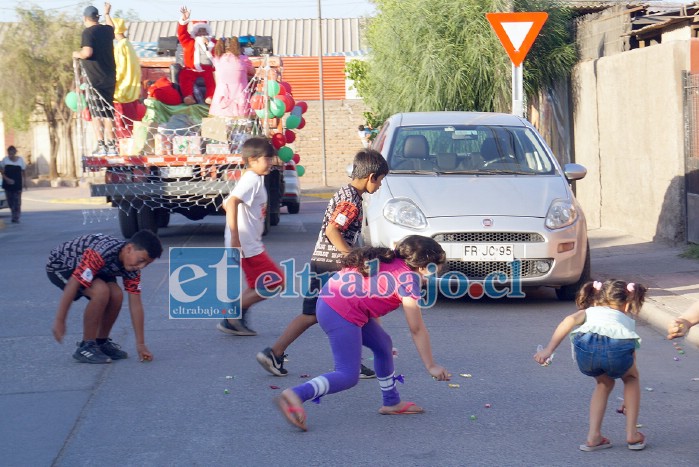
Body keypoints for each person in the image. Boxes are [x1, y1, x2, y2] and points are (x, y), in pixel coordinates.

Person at [275, 236, 451, 431]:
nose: (433, 275)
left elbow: (368, 295)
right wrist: (431, 365)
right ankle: (296, 394)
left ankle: (391, 402)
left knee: (383, 344)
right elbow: (416, 328)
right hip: (340, 311)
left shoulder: (388, 259)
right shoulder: (408, 279)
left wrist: (377, 335)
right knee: (347, 375)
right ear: (424, 266)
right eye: (435, 269)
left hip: (333, 300)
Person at [256, 149, 389, 378]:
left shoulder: (347, 193)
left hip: (323, 262)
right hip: (333, 266)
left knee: (313, 314)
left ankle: (275, 352)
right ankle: (353, 361)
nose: (379, 187)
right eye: (380, 181)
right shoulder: (351, 200)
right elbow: (332, 230)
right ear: (371, 177)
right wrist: (352, 256)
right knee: (352, 313)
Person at [534, 279, 648, 452]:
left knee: (604, 383)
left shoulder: (589, 311)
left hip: (586, 351)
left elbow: (568, 320)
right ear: (627, 303)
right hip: (617, 349)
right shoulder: (625, 318)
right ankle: (632, 434)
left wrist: (549, 349)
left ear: (597, 297)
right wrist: (627, 397)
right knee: (631, 379)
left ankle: (593, 436)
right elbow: (629, 351)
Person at [47, 230, 162, 364]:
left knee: (117, 294)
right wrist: (60, 320)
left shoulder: (132, 266)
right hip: (62, 266)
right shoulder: (101, 253)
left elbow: (136, 304)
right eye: (141, 260)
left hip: (97, 269)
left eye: (146, 264)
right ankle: (86, 346)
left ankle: (101, 342)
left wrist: (141, 344)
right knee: (101, 292)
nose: (141, 266)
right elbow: (74, 283)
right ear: (129, 248)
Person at [217, 137, 284, 336]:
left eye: (272, 159)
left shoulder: (254, 178)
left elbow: (226, 202)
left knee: (259, 284)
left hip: (250, 242)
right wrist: (236, 238)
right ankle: (232, 315)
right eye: (267, 159)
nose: (271, 163)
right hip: (247, 244)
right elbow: (231, 203)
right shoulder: (252, 179)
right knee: (276, 283)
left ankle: (234, 319)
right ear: (253, 159)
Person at [73, 3, 117, 156]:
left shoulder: (88, 32)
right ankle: (112, 146)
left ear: (85, 19)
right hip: (110, 77)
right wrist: (107, 14)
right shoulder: (106, 30)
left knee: (97, 113)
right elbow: (113, 28)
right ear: (97, 17)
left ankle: (101, 145)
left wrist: (76, 54)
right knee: (108, 113)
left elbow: (87, 53)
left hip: (95, 79)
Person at [104, 14, 143, 139]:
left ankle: (121, 147)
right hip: (131, 91)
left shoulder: (120, 47)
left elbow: (119, 68)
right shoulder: (129, 45)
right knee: (130, 125)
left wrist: (112, 83)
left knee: (121, 127)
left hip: (121, 92)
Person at [177, 6, 216, 105]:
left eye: (204, 31)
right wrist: (184, 20)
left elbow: (220, 52)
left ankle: (210, 97)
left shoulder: (214, 42)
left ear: (207, 32)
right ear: (195, 32)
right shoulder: (189, 41)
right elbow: (181, 33)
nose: (202, 33)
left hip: (208, 69)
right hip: (192, 69)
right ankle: (189, 97)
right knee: (184, 75)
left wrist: (209, 44)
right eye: (200, 31)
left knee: (213, 78)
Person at [209, 36, 256, 118]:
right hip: (239, 97)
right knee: (243, 123)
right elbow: (254, 72)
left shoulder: (217, 60)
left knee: (219, 122)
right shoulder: (243, 59)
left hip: (220, 98)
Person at [0, 145, 28, 223]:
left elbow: (24, 171)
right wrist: (6, 178)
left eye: (12, 154)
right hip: (7, 184)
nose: (10, 156)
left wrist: (25, 182)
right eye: (9, 154)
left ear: (15, 153)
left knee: (17, 201)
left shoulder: (20, 160)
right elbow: (1, 170)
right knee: (10, 201)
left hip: (17, 184)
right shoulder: (5, 160)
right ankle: (13, 212)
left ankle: (16, 217)